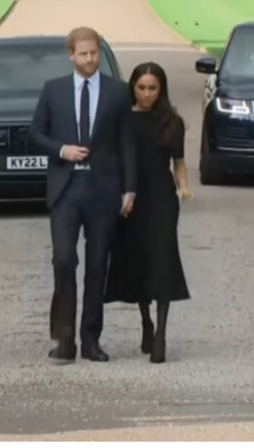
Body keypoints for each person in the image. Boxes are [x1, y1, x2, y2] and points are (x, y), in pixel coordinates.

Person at [28, 26, 136, 364]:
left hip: (103, 190)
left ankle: (91, 340)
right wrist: (62, 150)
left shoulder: (118, 92)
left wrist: (129, 188)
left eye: (95, 53)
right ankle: (64, 338)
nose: (90, 59)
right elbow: (34, 133)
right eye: (83, 53)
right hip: (66, 189)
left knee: (96, 266)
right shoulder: (54, 90)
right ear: (71, 54)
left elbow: (127, 144)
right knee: (63, 260)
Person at [104, 62, 192, 364]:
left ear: (161, 89)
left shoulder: (172, 122)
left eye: (152, 88)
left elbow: (178, 161)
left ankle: (161, 334)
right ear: (133, 88)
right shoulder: (124, 119)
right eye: (141, 88)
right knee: (138, 258)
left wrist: (184, 186)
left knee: (163, 259)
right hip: (130, 197)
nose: (146, 94)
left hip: (162, 197)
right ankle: (145, 320)